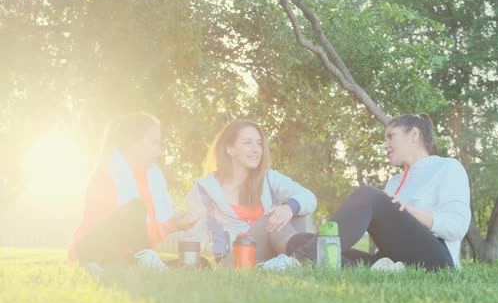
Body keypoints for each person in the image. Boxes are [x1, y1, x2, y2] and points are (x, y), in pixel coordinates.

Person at [268, 114, 471, 271]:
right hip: (393, 260)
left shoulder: (447, 167)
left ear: (414, 135)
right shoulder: (394, 182)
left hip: (437, 260)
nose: (385, 145)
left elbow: (457, 227)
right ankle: (377, 268)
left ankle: (298, 262)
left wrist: (410, 211)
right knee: (303, 240)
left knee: (367, 194)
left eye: (390, 136)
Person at [68, 112, 200, 271]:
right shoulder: (109, 172)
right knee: (135, 208)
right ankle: (143, 261)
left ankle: (144, 262)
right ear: (132, 141)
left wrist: (175, 223)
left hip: (123, 256)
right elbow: (128, 233)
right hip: (92, 251)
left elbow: (143, 235)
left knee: (199, 263)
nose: (159, 152)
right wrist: (171, 225)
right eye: (154, 143)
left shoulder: (151, 177)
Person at [182, 119, 317, 264]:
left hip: (270, 254)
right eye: (248, 143)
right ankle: (311, 257)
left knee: (294, 209)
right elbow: (193, 235)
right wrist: (188, 263)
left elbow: (309, 197)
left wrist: (289, 207)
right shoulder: (204, 188)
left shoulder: (268, 177)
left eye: (259, 143)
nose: (256, 149)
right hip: (235, 258)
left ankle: (301, 260)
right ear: (229, 148)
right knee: (272, 219)